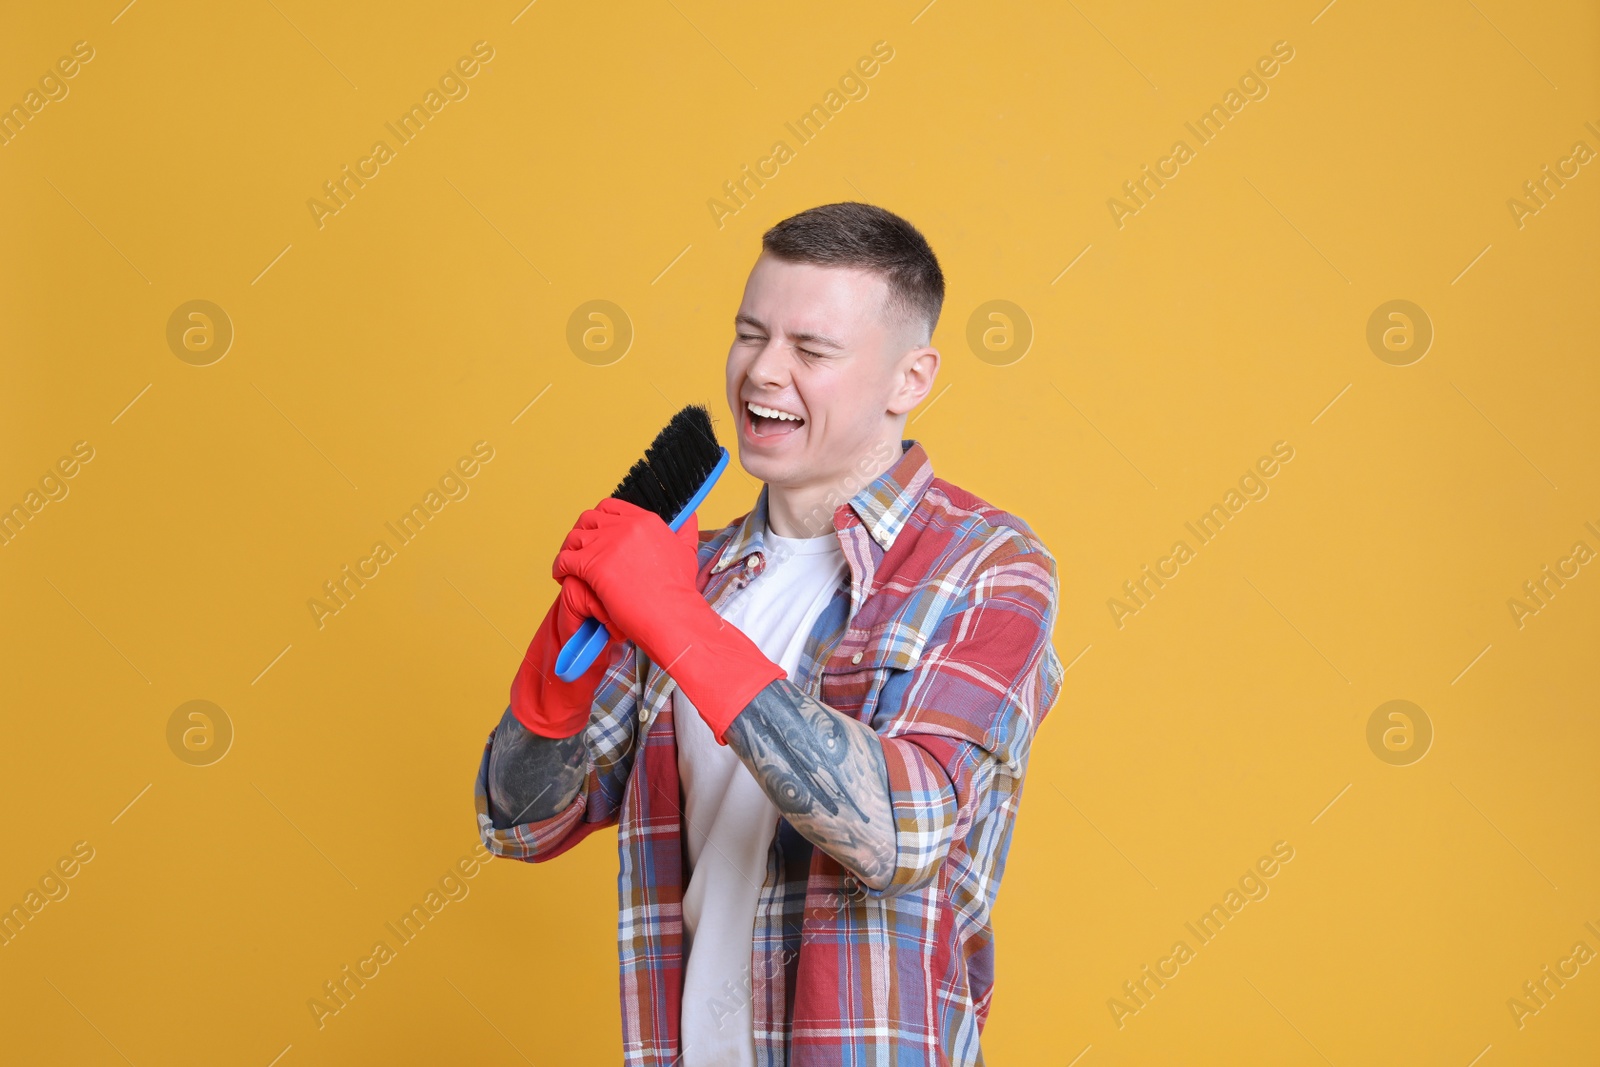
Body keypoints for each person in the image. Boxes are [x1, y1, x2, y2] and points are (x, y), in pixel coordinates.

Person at [474, 201, 1063, 1067]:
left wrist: (677, 625)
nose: (762, 372)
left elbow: (900, 834)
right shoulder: (692, 570)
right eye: (751, 334)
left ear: (911, 378)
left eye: (810, 350)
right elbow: (519, 822)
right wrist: (570, 642)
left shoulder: (986, 565)